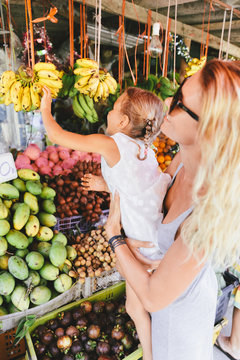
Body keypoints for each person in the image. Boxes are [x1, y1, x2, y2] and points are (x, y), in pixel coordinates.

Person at [104, 59, 240, 360]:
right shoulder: (183, 160)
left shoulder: (209, 209)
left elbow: (153, 297)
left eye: (178, 102)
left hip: (182, 318)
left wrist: (115, 237)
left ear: (208, 129)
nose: (166, 102)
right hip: (170, 286)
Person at [40, 86, 171, 360]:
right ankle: (153, 353)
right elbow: (136, 188)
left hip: (137, 245)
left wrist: (45, 105)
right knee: (137, 307)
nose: (108, 111)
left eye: (113, 107)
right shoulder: (144, 150)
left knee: (138, 308)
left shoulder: (112, 144)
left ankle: (151, 356)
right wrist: (107, 184)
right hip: (152, 237)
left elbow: (56, 135)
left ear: (122, 122)